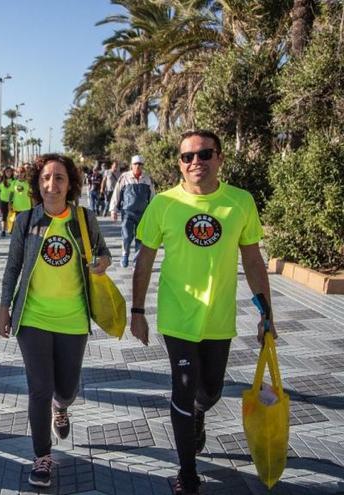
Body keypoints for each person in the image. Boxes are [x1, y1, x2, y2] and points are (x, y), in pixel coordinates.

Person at [130, 130, 275, 495]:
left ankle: (199, 413)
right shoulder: (163, 204)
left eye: (204, 154)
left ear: (220, 158)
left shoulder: (239, 202)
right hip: (177, 319)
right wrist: (137, 310)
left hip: (218, 319)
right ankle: (188, 473)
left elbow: (254, 260)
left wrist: (266, 313)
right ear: (179, 163)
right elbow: (144, 261)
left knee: (210, 391)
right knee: (182, 389)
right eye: (187, 157)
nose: (196, 162)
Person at [0, 154, 111, 488]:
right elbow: (12, 268)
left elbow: (104, 252)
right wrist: (5, 307)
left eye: (59, 178)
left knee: (66, 387)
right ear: (37, 183)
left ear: (70, 184)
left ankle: (62, 407)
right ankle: (42, 456)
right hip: (32, 318)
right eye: (46, 178)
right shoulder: (26, 220)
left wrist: (102, 262)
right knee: (39, 389)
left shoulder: (83, 218)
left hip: (73, 319)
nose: (52, 184)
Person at [110, 155, 155, 268]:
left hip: (143, 214)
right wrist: (113, 210)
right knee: (126, 236)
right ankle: (125, 255)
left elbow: (152, 197)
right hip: (127, 213)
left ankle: (137, 260)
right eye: (136, 164)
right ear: (131, 165)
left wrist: (154, 212)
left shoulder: (147, 179)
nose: (138, 166)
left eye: (140, 164)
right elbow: (117, 193)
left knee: (140, 238)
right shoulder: (124, 177)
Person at [0, 166, 15, 237]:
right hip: (3, 201)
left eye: (10, 171)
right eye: (7, 171)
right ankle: (3, 230)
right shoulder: (1, 180)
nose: (9, 173)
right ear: (4, 173)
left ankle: (11, 229)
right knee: (3, 216)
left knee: (12, 216)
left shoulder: (14, 181)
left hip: (12, 201)